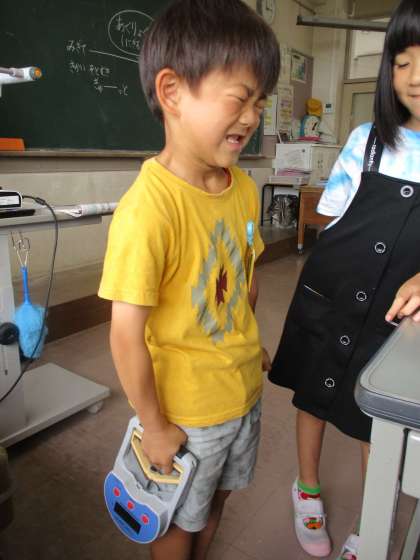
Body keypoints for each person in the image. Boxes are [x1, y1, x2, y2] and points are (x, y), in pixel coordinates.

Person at [98, 1, 279, 559]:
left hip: (242, 390)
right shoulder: (148, 209)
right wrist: (153, 425)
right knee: (177, 518)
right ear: (173, 92)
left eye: (260, 102)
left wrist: (247, 341)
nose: (252, 117)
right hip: (188, 412)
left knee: (219, 497)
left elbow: (244, 278)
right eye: (239, 98)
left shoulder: (242, 188)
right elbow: (125, 333)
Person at [268, 0, 420, 558]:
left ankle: (371, 522)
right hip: (332, 295)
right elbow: (333, 220)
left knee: (373, 417)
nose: (415, 77)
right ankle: (305, 488)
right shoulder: (368, 140)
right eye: (402, 62)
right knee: (313, 395)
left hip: (395, 315)